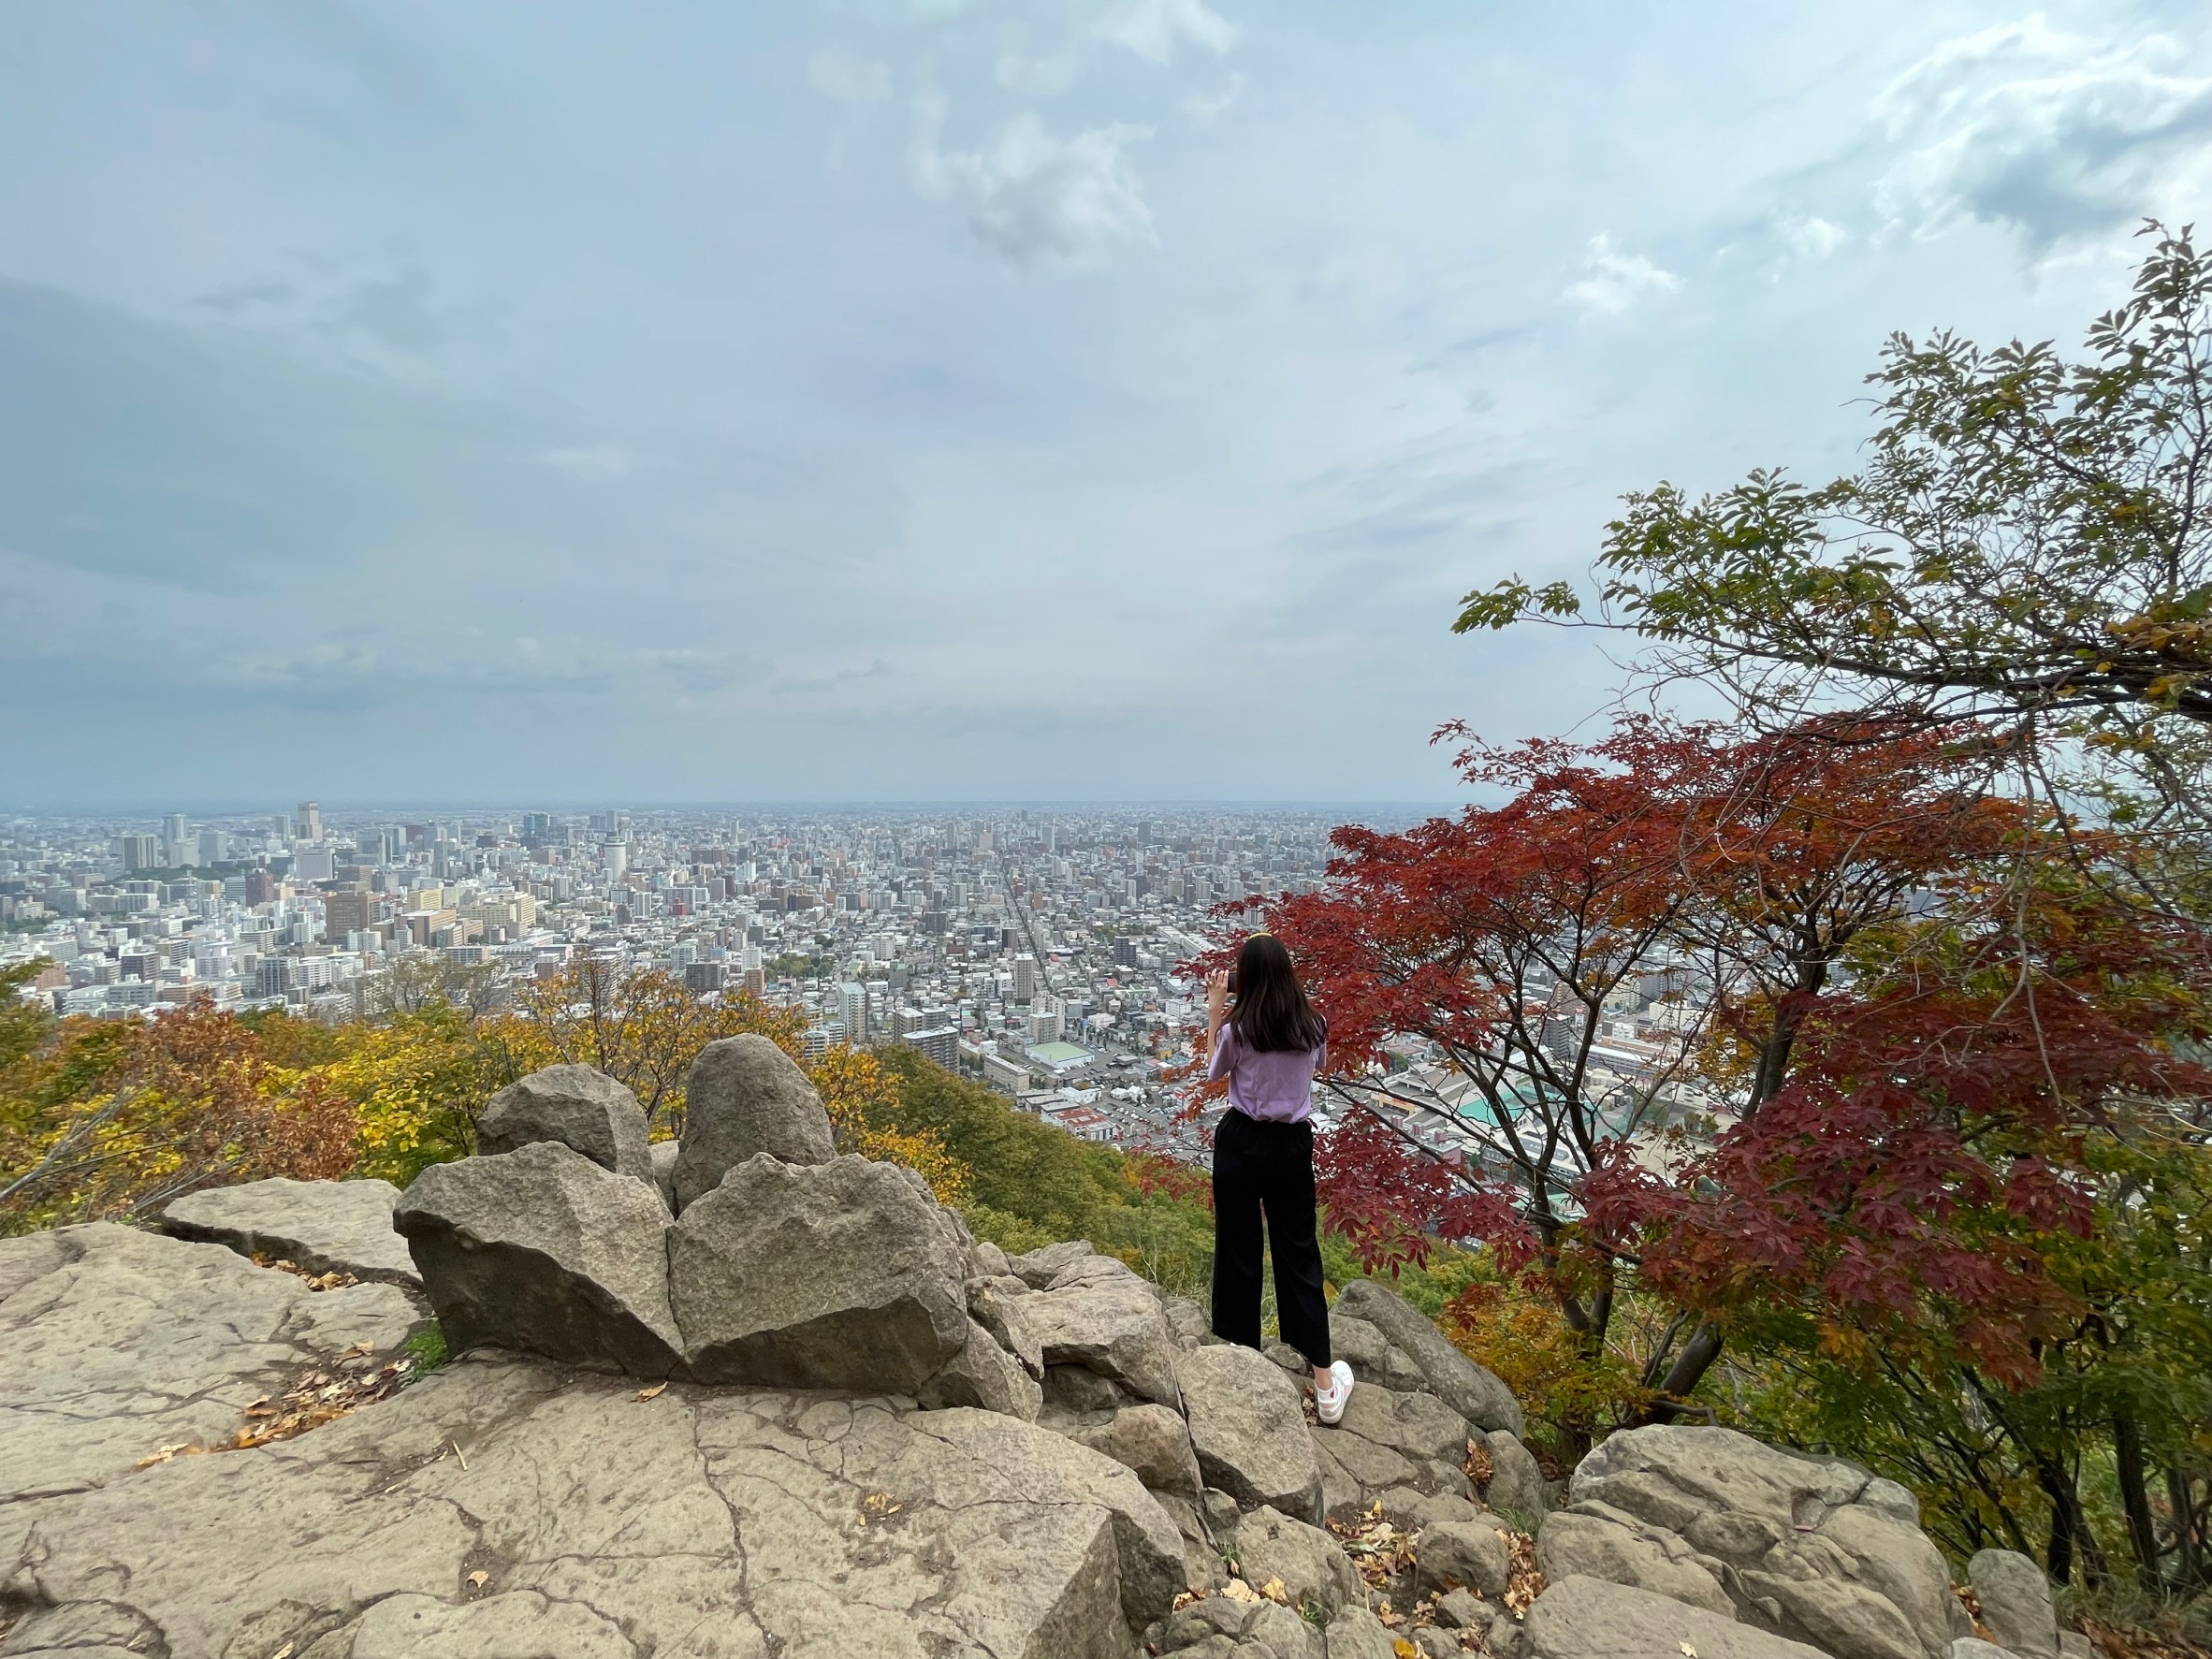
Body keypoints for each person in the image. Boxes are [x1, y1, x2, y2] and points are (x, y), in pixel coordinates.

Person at [1205, 931, 1354, 1425]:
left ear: (1242, 979)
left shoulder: (1238, 1030)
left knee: (1238, 1250)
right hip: (1292, 1146)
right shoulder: (1314, 1026)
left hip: (1242, 1140)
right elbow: (1321, 1067)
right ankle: (1325, 1387)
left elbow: (1213, 1073)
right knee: (1298, 1254)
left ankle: (1239, 1367)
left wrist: (1215, 1010)